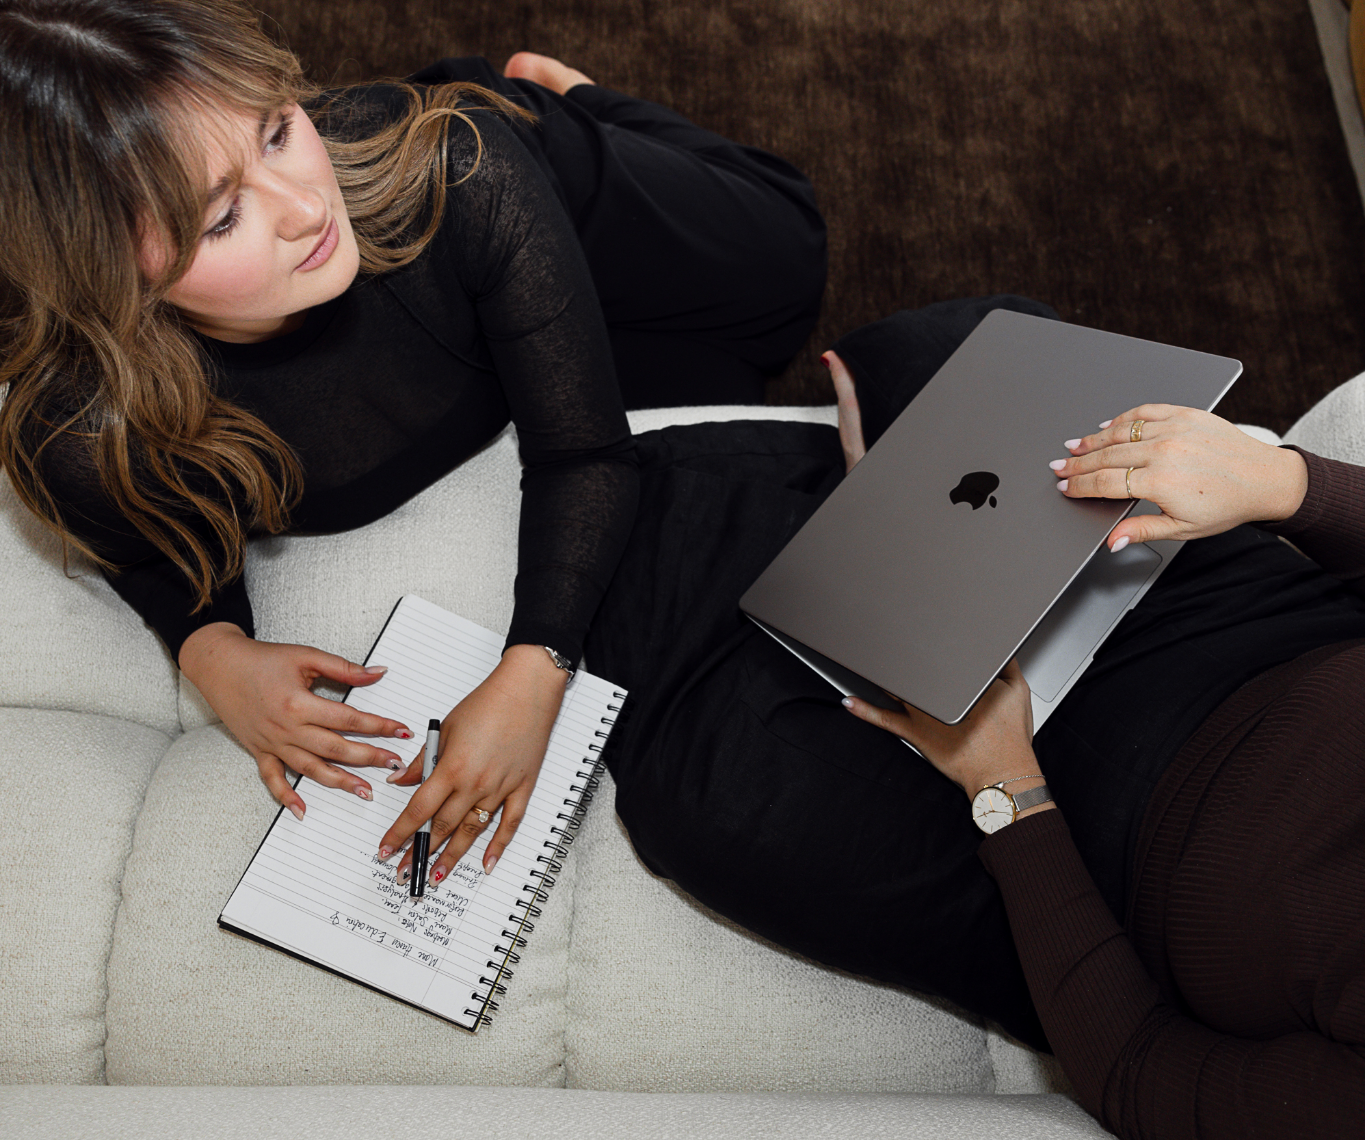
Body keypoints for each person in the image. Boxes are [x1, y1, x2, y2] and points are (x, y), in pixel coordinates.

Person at [382, 295, 1365, 1139]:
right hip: (1261, 633)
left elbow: (1144, 1074)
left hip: (1086, 872)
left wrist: (1006, 793)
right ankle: (880, 512)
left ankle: (839, 522)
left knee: (713, 803)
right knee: (978, 361)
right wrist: (1283, 484)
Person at [0, 0, 824, 878]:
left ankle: (577, 102)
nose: (304, 208)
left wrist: (534, 671)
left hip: (525, 180)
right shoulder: (78, 430)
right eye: (221, 218)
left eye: (278, 131)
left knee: (787, 272)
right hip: (482, 280)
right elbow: (142, 546)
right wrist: (216, 652)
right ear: (110, 275)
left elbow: (583, 454)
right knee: (716, 379)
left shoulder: (461, 168)